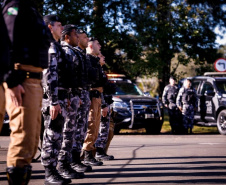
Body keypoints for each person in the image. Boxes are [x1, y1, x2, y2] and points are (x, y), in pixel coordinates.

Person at [2, 0, 51, 184]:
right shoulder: (16, 5)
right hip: (22, 78)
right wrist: (12, 79)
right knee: (22, 139)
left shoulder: (30, 8)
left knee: (30, 140)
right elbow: (7, 41)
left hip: (34, 79)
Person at [41, 15, 82, 185]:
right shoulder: (50, 46)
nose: (61, 27)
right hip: (54, 98)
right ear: (50, 27)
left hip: (60, 97)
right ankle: (49, 171)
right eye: (58, 25)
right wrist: (54, 101)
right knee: (52, 134)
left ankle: (55, 168)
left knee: (58, 135)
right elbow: (49, 74)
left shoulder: (57, 46)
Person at [60, 25, 92, 173]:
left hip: (77, 94)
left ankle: (72, 160)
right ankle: (64, 164)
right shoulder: (66, 51)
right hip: (70, 95)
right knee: (68, 131)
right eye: (76, 35)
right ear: (67, 36)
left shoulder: (75, 52)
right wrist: (70, 95)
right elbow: (64, 76)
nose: (78, 38)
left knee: (77, 130)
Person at [82, 38, 108, 166]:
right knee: (91, 125)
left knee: (96, 127)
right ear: (91, 46)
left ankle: (90, 153)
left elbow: (101, 82)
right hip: (91, 96)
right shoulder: (87, 59)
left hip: (97, 96)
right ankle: (86, 154)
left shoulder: (95, 61)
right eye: (98, 44)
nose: (100, 46)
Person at [95, 53, 115, 161]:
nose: (104, 57)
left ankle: (101, 150)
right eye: (102, 56)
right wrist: (103, 105)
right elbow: (100, 90)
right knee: (102, 129)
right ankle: (98, 151)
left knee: (106, 129)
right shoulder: (97, 71)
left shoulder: (102, 71)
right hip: (103, 104)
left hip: (106, 102)